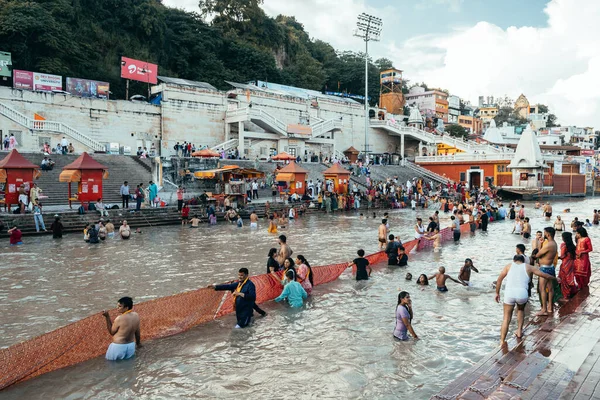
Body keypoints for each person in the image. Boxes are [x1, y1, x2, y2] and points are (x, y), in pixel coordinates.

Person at [495, 254, 557, 345]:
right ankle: (519, 331)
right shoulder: (529, 267)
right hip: (522, 294)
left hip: (509, 294)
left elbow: (499, 280)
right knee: (520, 310)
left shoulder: (508, 266)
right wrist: (556, 278)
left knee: (506, 318)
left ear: (514, 260)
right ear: (523, 261)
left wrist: (497, 293)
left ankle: (502, 341)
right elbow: (544, 275)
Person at [532, 227, 558, 316]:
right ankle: (550, 307)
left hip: (544, 268)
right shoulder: (554, 243)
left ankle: (544, 309)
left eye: (545, 233)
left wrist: (540, 244)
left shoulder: (548, 244)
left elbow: (537, 255)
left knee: (542, 288)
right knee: (550, 289)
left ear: (548, 234)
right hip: (550, 267)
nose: (544, 234)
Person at [558, 232, 578, 300]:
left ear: (564, 238)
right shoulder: (573, 246)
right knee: (570, 277)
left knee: (564, 279)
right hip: (571, 263)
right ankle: (572, 291)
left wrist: (558, 257)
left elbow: (562, 255)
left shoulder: (563, 245)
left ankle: (566, 294)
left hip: (565, 264)